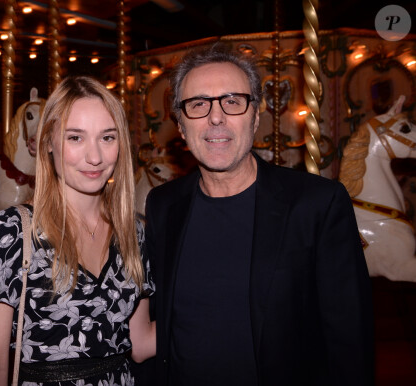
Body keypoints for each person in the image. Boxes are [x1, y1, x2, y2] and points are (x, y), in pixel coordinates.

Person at [144, 44, 374, 385]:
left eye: (233, 101)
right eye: (198, 105)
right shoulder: (162, 204)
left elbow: (350, 340)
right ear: (180, 125)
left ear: (255, 116)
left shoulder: (317, 204)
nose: (216, 117)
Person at [0, 76, 155, 386]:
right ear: (48, 143)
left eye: (107, 137)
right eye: (75, 138)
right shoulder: (12, 233)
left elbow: (139, 345)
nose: (95, 157)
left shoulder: (133, 233)